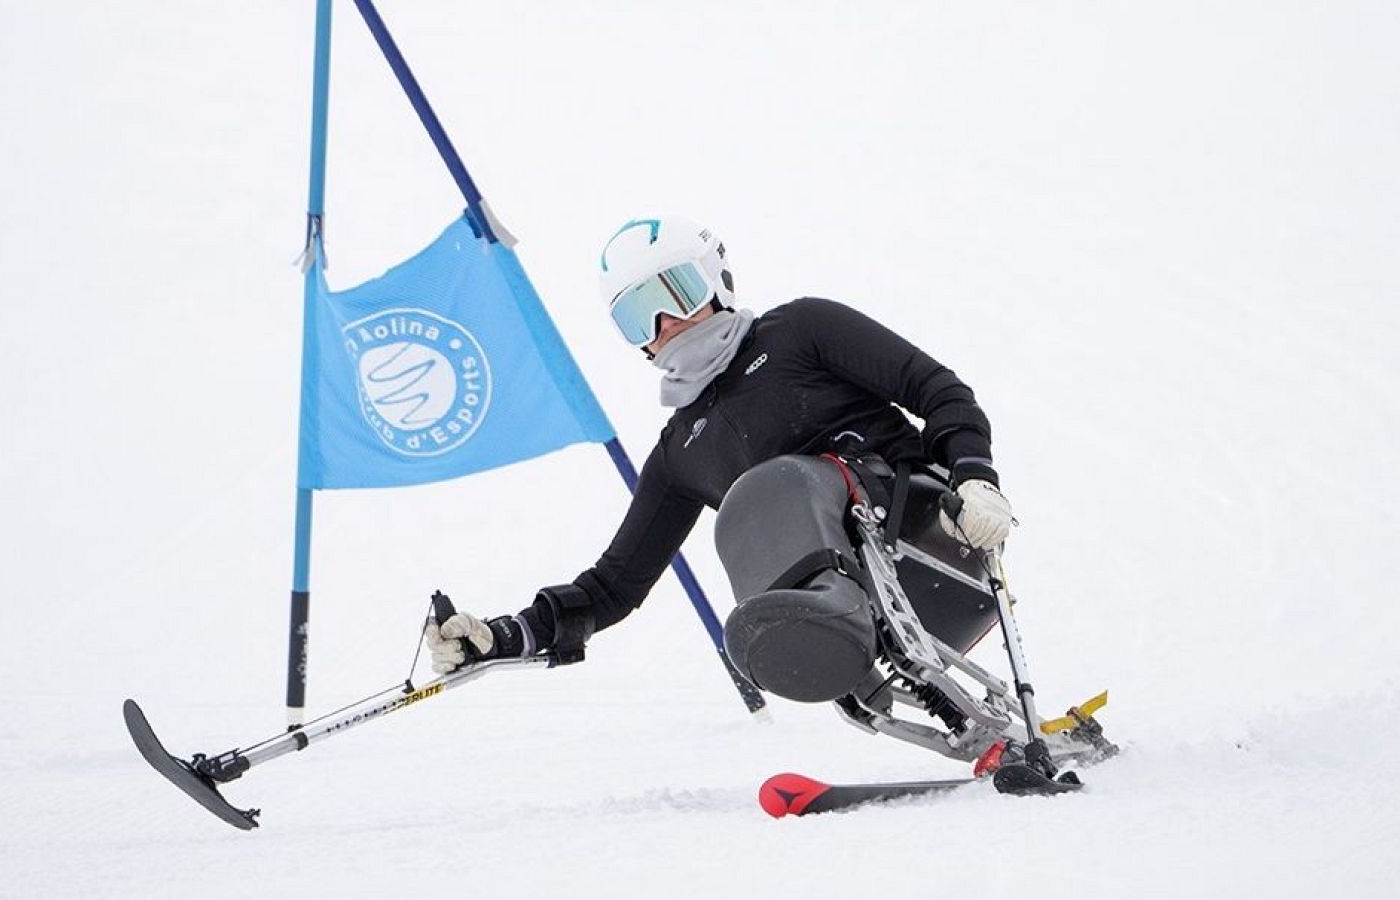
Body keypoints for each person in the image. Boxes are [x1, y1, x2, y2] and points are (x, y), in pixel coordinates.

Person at [424, 215, 1013, 702]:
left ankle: (825, 610)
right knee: (745, 514)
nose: (665, 322)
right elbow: (614, 586)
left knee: (773, 487)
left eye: (675, 292)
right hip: (861, 617)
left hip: (925, 535)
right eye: (638, 315)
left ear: (716, 281)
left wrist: (975, 475)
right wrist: (503, 637)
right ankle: (825, 636)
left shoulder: (800, 330)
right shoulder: (680, 450)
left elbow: (936, 389)